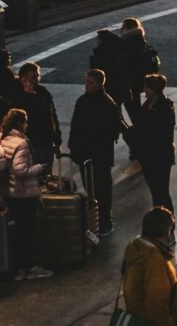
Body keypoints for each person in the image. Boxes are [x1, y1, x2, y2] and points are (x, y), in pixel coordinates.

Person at [0, 109, 53, 281]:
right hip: (23, 193)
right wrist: (41, 168)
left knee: (14, 232)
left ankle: (16, 268)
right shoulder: (21, 143)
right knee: (26, 232)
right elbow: (21, 171)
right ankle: (28, 267)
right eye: (25, 122)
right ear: (20, 124)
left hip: (6, 192)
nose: (27, 125)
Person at [68, 68, 123, 237]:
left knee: (100, 189)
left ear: (99, 84)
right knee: (95, 188)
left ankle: (103, 220)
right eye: (86, 82)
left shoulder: (92, 102)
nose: (87, 85)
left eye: (90, 83)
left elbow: (76, 126)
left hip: (94, 152)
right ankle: (100, 220)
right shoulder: (104, 102)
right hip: (97, 152)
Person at [121, 207, 177, 326]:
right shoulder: (154, 259)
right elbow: (157, 301)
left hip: (138, 316)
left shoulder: (135, 247)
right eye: (170, 229)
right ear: (166, 231)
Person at [127, 73, 176, 213]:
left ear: (153, 89)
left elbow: (162, 133)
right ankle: (160, 216)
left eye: (146, 87)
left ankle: (167, 219)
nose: (144, 90)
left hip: (160, 156)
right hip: (148, 155)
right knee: (155, 190)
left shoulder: (165, 107)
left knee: (161, 191)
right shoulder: (147, 105)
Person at [10, 62, 61, 165]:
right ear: (23, 79)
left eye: (37, 76)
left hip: (45, 142)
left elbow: (52, 117)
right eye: (33, 77)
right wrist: (30, 96)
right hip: (28, 144)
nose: (37, 79)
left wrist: (57, 141)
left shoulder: (43, 92)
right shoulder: (16, 95)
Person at [120, 18, 161, 123]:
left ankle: (138, 125)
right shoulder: (141, 40)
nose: (121, 29)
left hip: (132, 79)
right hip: (142, 77)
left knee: (130, 103)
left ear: (128, 28)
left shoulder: (127, 42)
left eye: (123, 27)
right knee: (136, 102)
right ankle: (140, 123)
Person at [91, 28, 130, 114]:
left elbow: (97, 74)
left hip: (109, 89)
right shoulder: (119, 52)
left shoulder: (100, 55)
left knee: (111, 112)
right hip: (120, 88)